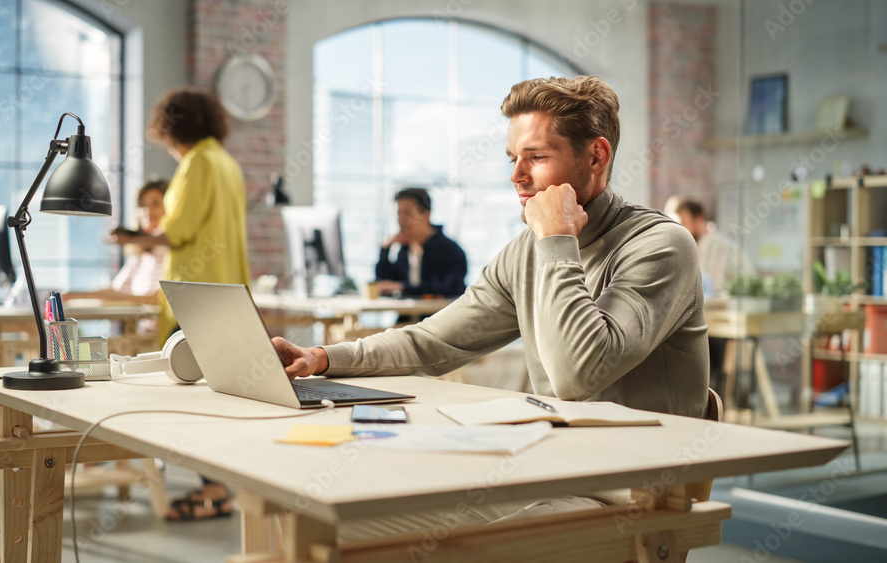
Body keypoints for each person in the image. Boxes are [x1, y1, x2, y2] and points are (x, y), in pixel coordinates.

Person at [271, 76, 709, 537]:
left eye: (536, 157)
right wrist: (322, 358)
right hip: (550, 466)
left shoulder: (661, 245)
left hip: (631, 493)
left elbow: (577, 374)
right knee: (324, 516)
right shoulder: (526, 251)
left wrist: (557, 239)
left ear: (596, 156)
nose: (517, 175)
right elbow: (433, 341)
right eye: (513, 158)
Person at [115, 87, 251, 521]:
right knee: (217, 396)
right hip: (227, 292)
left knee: (188, 400)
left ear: (169, 129)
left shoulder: (196, 164)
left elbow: (176, 232)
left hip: (195, 296)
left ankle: (213, 492)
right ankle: (224, 489)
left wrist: (130, 238)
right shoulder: (227, 163)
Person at [666, 196, 755, 396]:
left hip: (720, 330)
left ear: (699, 221)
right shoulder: (681, 246)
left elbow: (749, 284)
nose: (677, 227)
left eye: (682, 222)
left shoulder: (717, 247)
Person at [65, 179, 169, 310]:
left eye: (155, 204)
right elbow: (117, 290)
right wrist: (73, 296)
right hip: (140, 327)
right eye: (142, 205)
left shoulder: (171, 252)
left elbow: (154, 299)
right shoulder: (140, 253)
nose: (147, 211)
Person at [374, 187, 467, 298]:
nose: (401, 220)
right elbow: (385, 285)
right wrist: (385, 250)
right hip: (408, 315)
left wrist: (403, 286)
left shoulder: (450, 251)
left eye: (407, 213)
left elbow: (448, 288)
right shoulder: (404, 250)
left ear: (426, 215)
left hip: (439, 314)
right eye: (399, 214)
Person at [665, 196, 755, 298]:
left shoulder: (722, 247)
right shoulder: (676, 253)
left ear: (698, 220)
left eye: (682, 223)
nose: (676, 231)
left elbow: (752, 285)